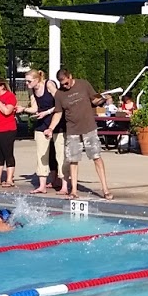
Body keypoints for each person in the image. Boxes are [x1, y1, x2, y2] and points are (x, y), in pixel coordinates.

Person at [55, 68, 113, 200]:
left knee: (96, 157)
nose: (65, 86)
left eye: (66, 83)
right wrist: (50, 128)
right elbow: (58, 113)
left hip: (88, 128)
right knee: (73, 160)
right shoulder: (59, 94)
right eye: (62, 84)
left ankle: (105, 189)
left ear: (70, 76)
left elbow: (94, 101)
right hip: (72, 130)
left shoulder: (84, 84)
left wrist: (103, 98)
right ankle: (74, 191)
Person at [22, 69, 63, 194]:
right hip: (41, 123)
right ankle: (42, 186)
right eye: (26, 81)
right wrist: (23, 109)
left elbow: (61, 102)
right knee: (41, 155)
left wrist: (47, 112)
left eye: (29, 81)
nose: (27, 84)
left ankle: (63, 183)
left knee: (60, 155)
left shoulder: (49, 85)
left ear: (37, 79)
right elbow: (35, 108)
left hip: (56, 121)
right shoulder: (32, 89)